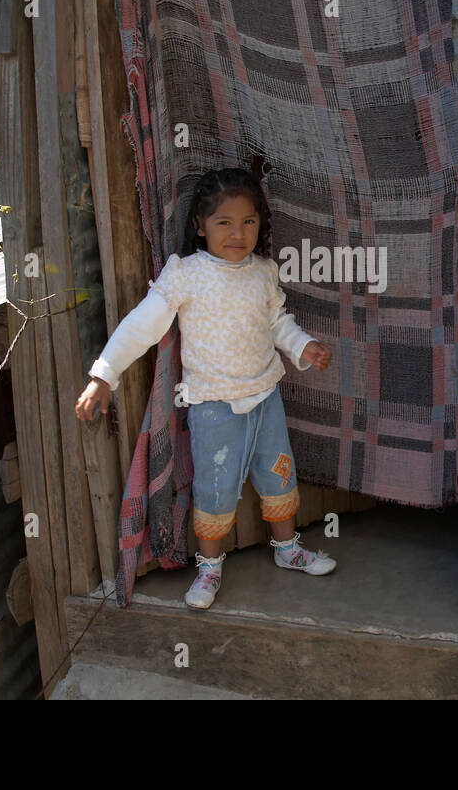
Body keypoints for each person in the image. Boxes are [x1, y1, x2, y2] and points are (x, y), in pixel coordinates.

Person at [74, 167, 336, 610]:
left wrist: (302, 345)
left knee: (278, 474)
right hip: (213, 404)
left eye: (248, 222)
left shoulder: (262, 272)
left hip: (265, 396)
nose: (238, 233)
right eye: (224, 222)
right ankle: (209, 568)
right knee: (214, 488)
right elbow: (142, 326)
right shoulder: (186, 275)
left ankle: (288, 549)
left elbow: (276, 323)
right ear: (200, 226)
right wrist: (104, 374)